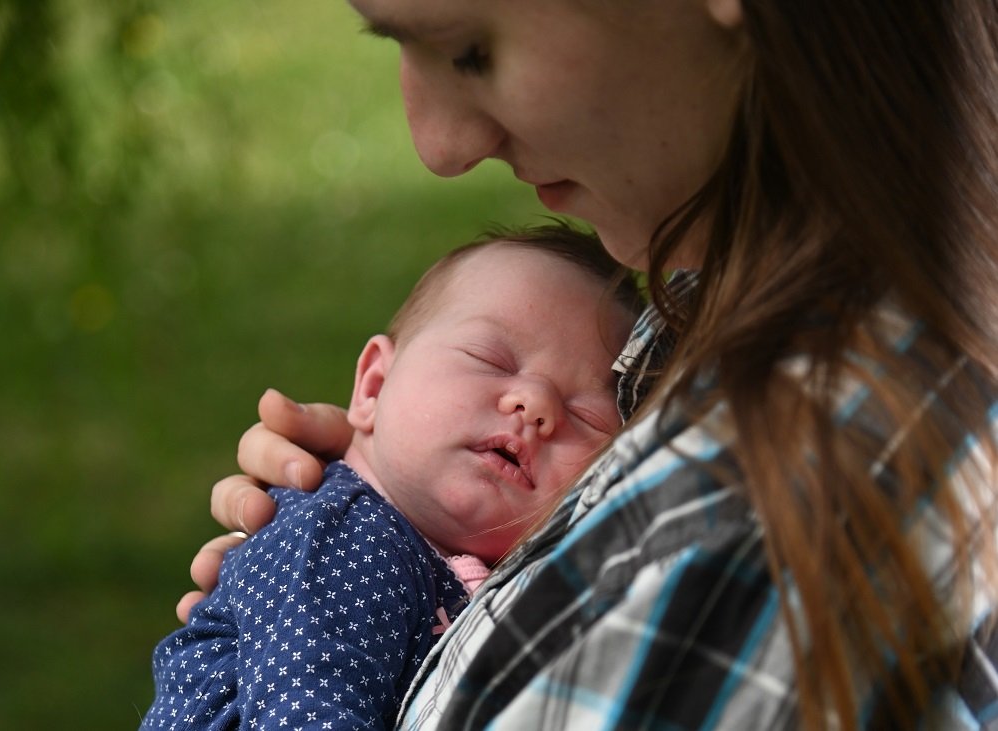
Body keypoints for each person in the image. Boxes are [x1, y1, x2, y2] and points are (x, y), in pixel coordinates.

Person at [182, 1, 998, 729]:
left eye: (470, 49)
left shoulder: (744, 537)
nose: (439, 146)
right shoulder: (711, 364)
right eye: (486, 358)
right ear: (372, 383)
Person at [140, 224, 642, 730]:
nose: (535, 405)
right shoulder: (351, 538)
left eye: (587, 416)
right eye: (490, 359)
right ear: (374, 387)